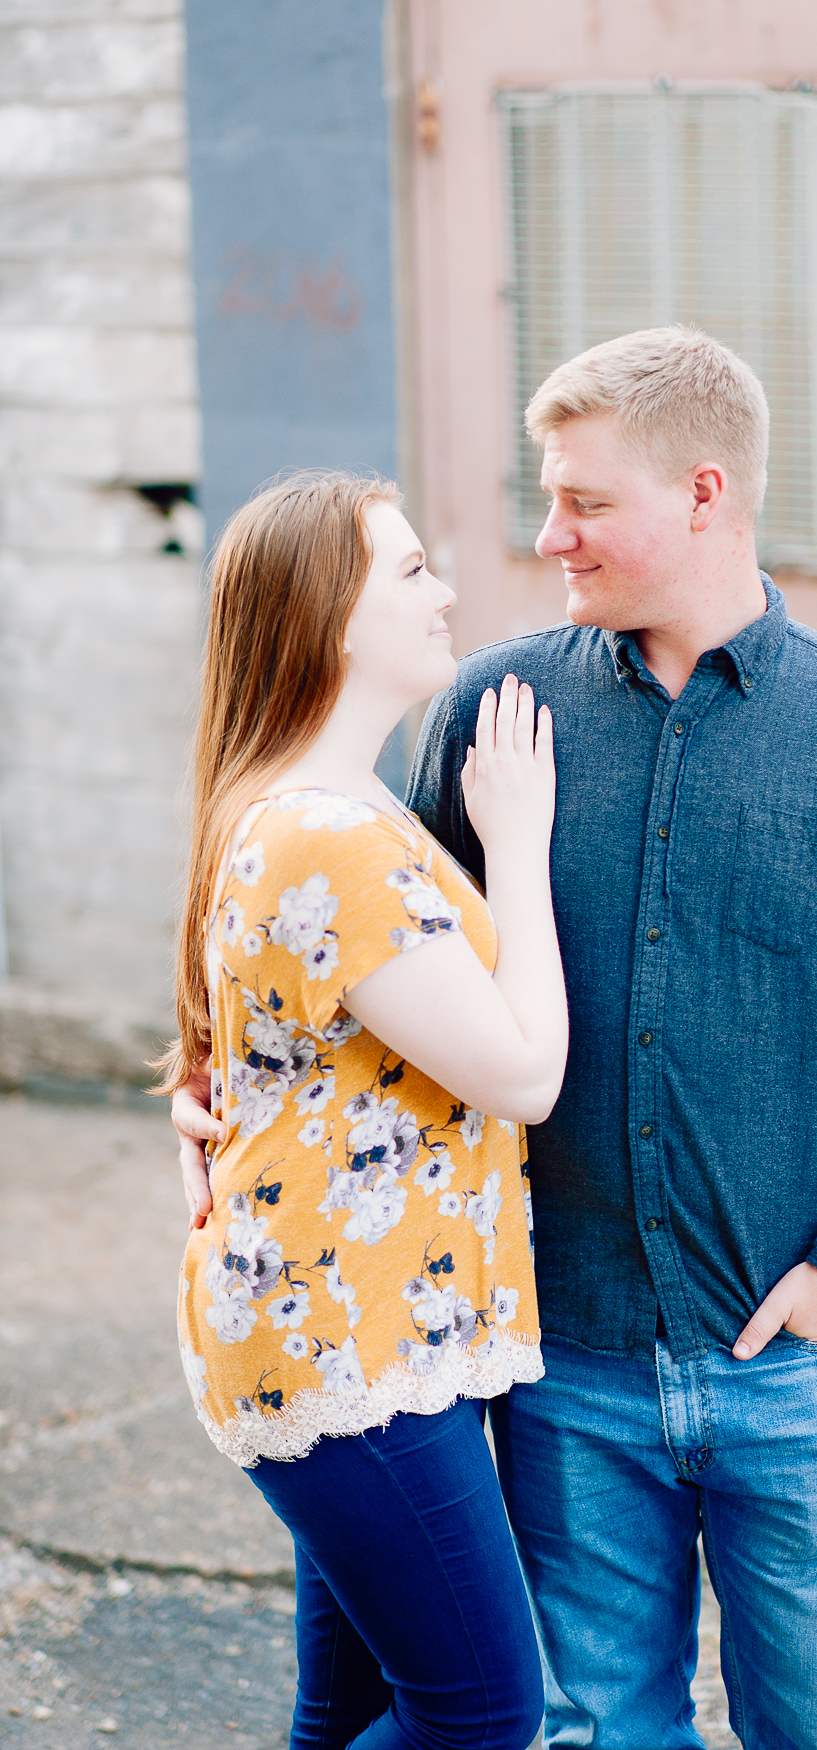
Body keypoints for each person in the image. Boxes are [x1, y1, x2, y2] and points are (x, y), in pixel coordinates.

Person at [175, 329, 817, 1750]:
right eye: (543, 495)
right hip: (562, 1371)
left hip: (794, 1369)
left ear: (703, 491)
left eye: (583, 502)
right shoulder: (492, 712)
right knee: (586, 1730)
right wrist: (212, 1097)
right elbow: (337, 950)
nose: (546, 534)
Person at [162, 471, 564, 1750]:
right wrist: (521, 844)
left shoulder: (318, 804)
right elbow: (523, 1075)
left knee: (349, 1714)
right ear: (329, 616)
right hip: (348, 1338)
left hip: (360, 1322)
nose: (443, 592)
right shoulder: (327, 834)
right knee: (482, 1716)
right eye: (408, 572)